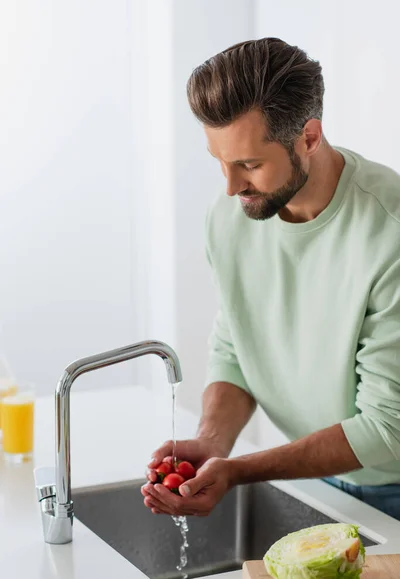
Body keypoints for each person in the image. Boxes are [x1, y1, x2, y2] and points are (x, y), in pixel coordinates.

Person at [141, 37, 400, 520]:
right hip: (321, 473)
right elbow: (236, 346)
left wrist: (238, 469)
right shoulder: (232, 215)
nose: (230, 186)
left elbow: (388, 426)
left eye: (250, 165)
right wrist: (212, 441)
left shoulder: (390, 234)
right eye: (219, 161)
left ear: (309, 137)